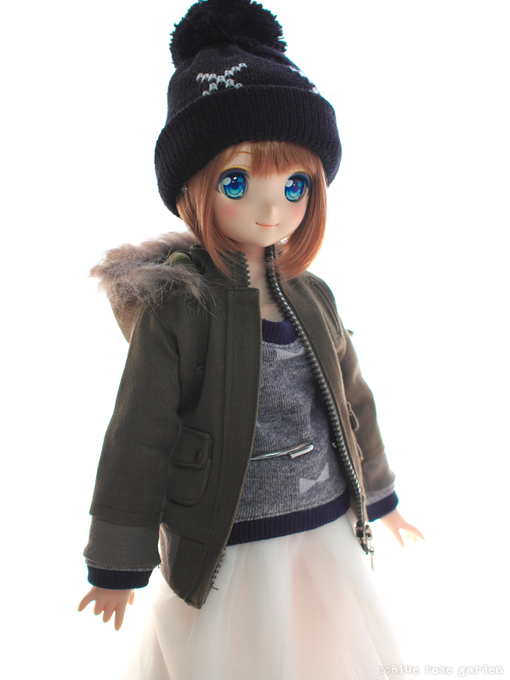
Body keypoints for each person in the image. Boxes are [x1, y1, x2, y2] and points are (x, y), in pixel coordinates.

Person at [78, 1, 424, 677]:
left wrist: (381, 498)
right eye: (237, 182)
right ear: (193, 189)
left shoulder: (312, 295)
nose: (272, 207)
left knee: (325, 653)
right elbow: (140, 436)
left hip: (324, 528)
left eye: (296, 184)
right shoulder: (179, 310)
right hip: (228, 542)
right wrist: (117, 562)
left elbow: (352, 402)